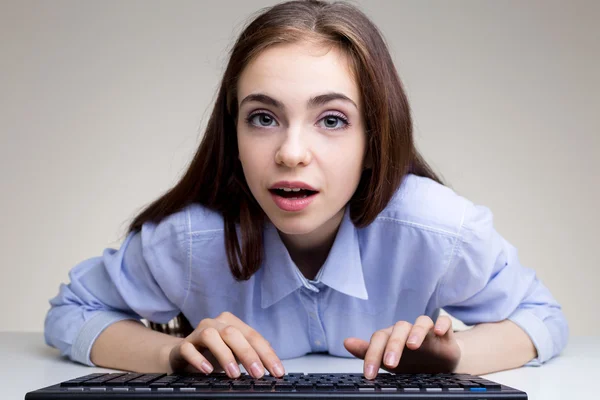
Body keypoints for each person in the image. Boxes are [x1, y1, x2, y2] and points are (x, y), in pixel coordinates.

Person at [44, 0, 568, 381]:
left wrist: (455, 358)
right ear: (234, 133)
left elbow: (542, 318)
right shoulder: (188, 239)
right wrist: (174, 356)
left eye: (333, 119)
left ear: (374, 136)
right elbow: (71, 312)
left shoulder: (439, 229)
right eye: (264, 117)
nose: (291, 153)